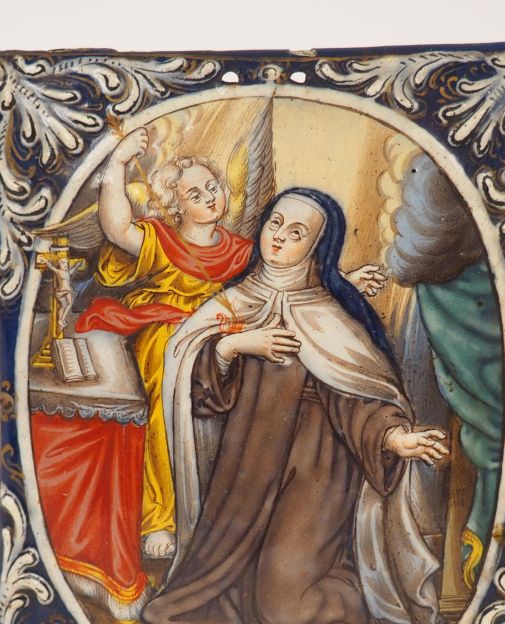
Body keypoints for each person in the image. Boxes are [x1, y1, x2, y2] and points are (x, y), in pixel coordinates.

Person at [137, 188, 448, 624]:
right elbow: (195, 385)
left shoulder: (328, 316)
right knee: (208, 598)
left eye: (297, 232)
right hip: (248, 467)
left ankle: (362, 594)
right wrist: (235, 346)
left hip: (315, 473)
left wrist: (393, 438)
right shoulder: (235, 302)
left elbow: (356, 395)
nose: (279, 237)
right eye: (275, 223)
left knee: (286, 613)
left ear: (316, 249)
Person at [75, 129, 388, 560]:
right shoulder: (162, 240)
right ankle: (160, 517)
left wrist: (345, 284)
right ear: (175, 205)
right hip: (167, 333)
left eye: (213, 187)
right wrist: (117, 164)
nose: (209, 197)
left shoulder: (242, 251)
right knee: (167, 383)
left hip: (226, 334)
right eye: (194, 194)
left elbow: (287, 283)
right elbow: (116, 228)